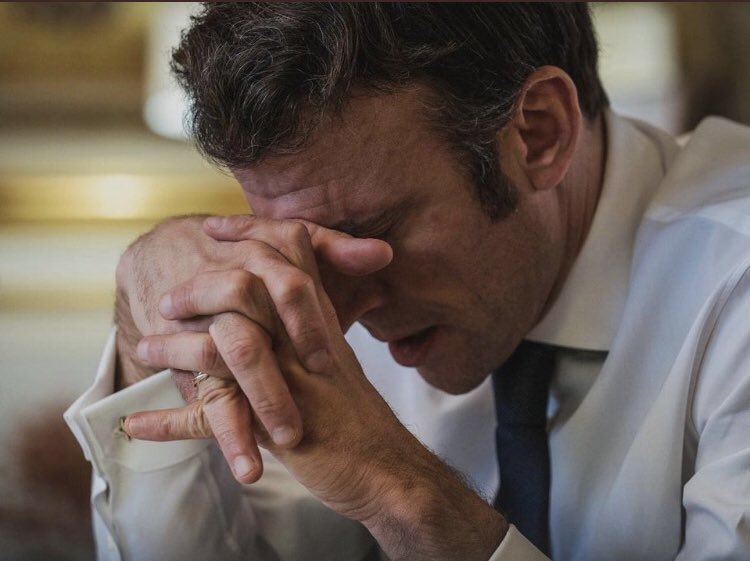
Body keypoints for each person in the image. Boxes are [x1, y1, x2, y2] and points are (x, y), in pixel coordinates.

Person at [65, 3, 750, 561]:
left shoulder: (735, 281)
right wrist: (145, 329)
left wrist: (400, 494)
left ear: (538, 133)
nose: (343, 309)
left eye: (373, 232)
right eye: (302, 246)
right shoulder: (320, 284)